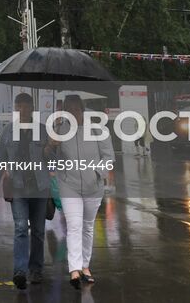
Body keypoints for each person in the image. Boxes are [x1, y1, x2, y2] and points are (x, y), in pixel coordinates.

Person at [0, 92, 53, 290]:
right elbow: (0, 160)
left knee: (39, 232)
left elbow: (53, 159)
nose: (24, 109)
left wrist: (51, 147)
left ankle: (36, 269)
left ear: (32, 108)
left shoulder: (43, 131)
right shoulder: (8, 131)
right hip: (18, 188)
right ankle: (20, 271)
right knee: (21, 228)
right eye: (20, 106)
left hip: (40, 188)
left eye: (27, 106)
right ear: (16, 108)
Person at [55, 95, 112, 289]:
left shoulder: (98, 129)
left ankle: (85, 266)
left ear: (82, 109)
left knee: (87, 227)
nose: (72, 113)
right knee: (74, 226)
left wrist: (97, 173)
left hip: (92, 187)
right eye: (68, 109)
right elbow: (50, 157)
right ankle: (74, 270)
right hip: (68, 184)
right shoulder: (59, 130)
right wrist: (51, 143)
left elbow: (108, 157)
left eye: (75, 109)